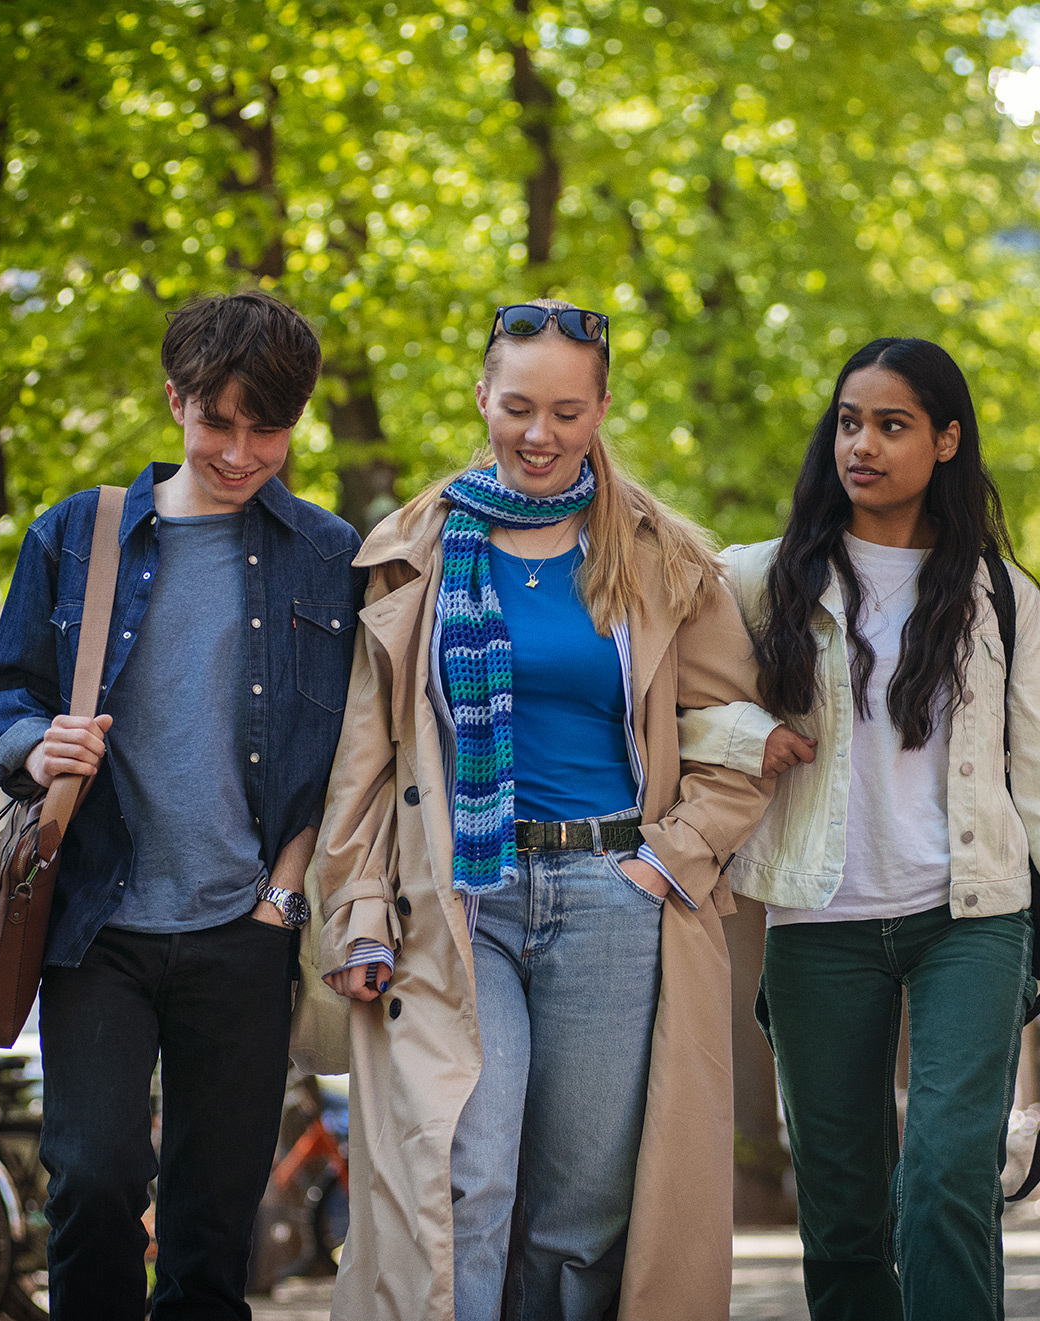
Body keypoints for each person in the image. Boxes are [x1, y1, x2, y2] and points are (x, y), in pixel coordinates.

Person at [312, 299, 775, 1321]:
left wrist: (665, 860)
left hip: (613, 898)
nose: (539, 434)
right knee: (467, 1175)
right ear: (481, 396)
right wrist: (355, 906)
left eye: (567, 411)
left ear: (602, 407)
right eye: (517, 406)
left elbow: (744, 739)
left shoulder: (659, 555)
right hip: (460, 896)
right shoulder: (417, 549)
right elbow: (366, 753)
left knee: (581, 1212)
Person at [677, 336, 1040, 1321]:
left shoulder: (999, 598)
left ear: (946, 441)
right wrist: (750, 733)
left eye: (891, 425)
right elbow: (657, 703)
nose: (862, 445)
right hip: (816, 924)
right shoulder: (758, 582)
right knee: (839, 1219)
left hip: (969, 919)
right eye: (848, 422)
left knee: (945, 1177)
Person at [0, 289, 364, 1320]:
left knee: (210, 1230)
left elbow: (345, 749)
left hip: (245, 927)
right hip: (98, 919)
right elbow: (8, 688)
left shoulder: (329, 556)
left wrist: (283, 898)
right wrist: (32, 741)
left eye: (267, 429)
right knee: (95, 1181)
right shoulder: (77, 535)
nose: (241, 452)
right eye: (217, 422)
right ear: (175, 398)